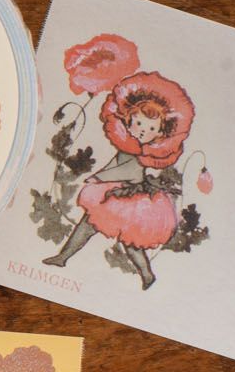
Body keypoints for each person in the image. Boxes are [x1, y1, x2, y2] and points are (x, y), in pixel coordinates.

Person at [43, 72, 194, 290]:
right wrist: (102, 175)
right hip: (115, 191)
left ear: (161, 132)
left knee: (129, 242)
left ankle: (147, 274)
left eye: (152, 128)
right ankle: (63, 257)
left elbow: (128, 172)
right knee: (88, 226)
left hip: (130, 197)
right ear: (129, 118)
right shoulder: (128, 144)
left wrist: (99, 177)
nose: (143, 130)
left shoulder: (141, 153)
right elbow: (115, 163)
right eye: (139, 123)